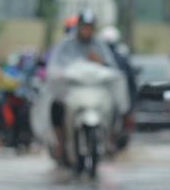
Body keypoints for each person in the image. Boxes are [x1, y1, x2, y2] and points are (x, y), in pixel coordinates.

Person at [47, 9, 118, 162]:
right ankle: (60, 142)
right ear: (79, 27)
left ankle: (110, 138)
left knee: (114, 105)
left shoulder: (99, 45)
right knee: (56, 106)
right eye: (84, 26)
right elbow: (54, 66)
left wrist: (99, 61)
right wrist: (60, 73)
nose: (87, 30)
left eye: (90, 27)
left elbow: (111, 66)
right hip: (73, 91)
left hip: (95, 90)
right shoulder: (66, 45)